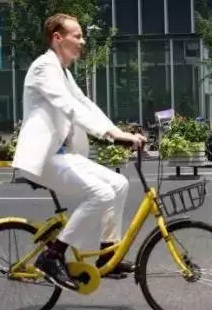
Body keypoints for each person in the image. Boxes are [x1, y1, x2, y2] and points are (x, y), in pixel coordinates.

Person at [11, 13, 147, 290]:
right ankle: (53, 256)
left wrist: (117, 133)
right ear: (57, 38)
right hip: (43, 159)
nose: (82, 41)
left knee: (119, 183)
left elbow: (84, 104)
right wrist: (111, 135)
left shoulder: (63, 71)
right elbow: (68, 107)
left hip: (63, 155)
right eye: (77, 35)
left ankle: (107, 254)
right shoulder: (43, 68)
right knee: (101, 193)